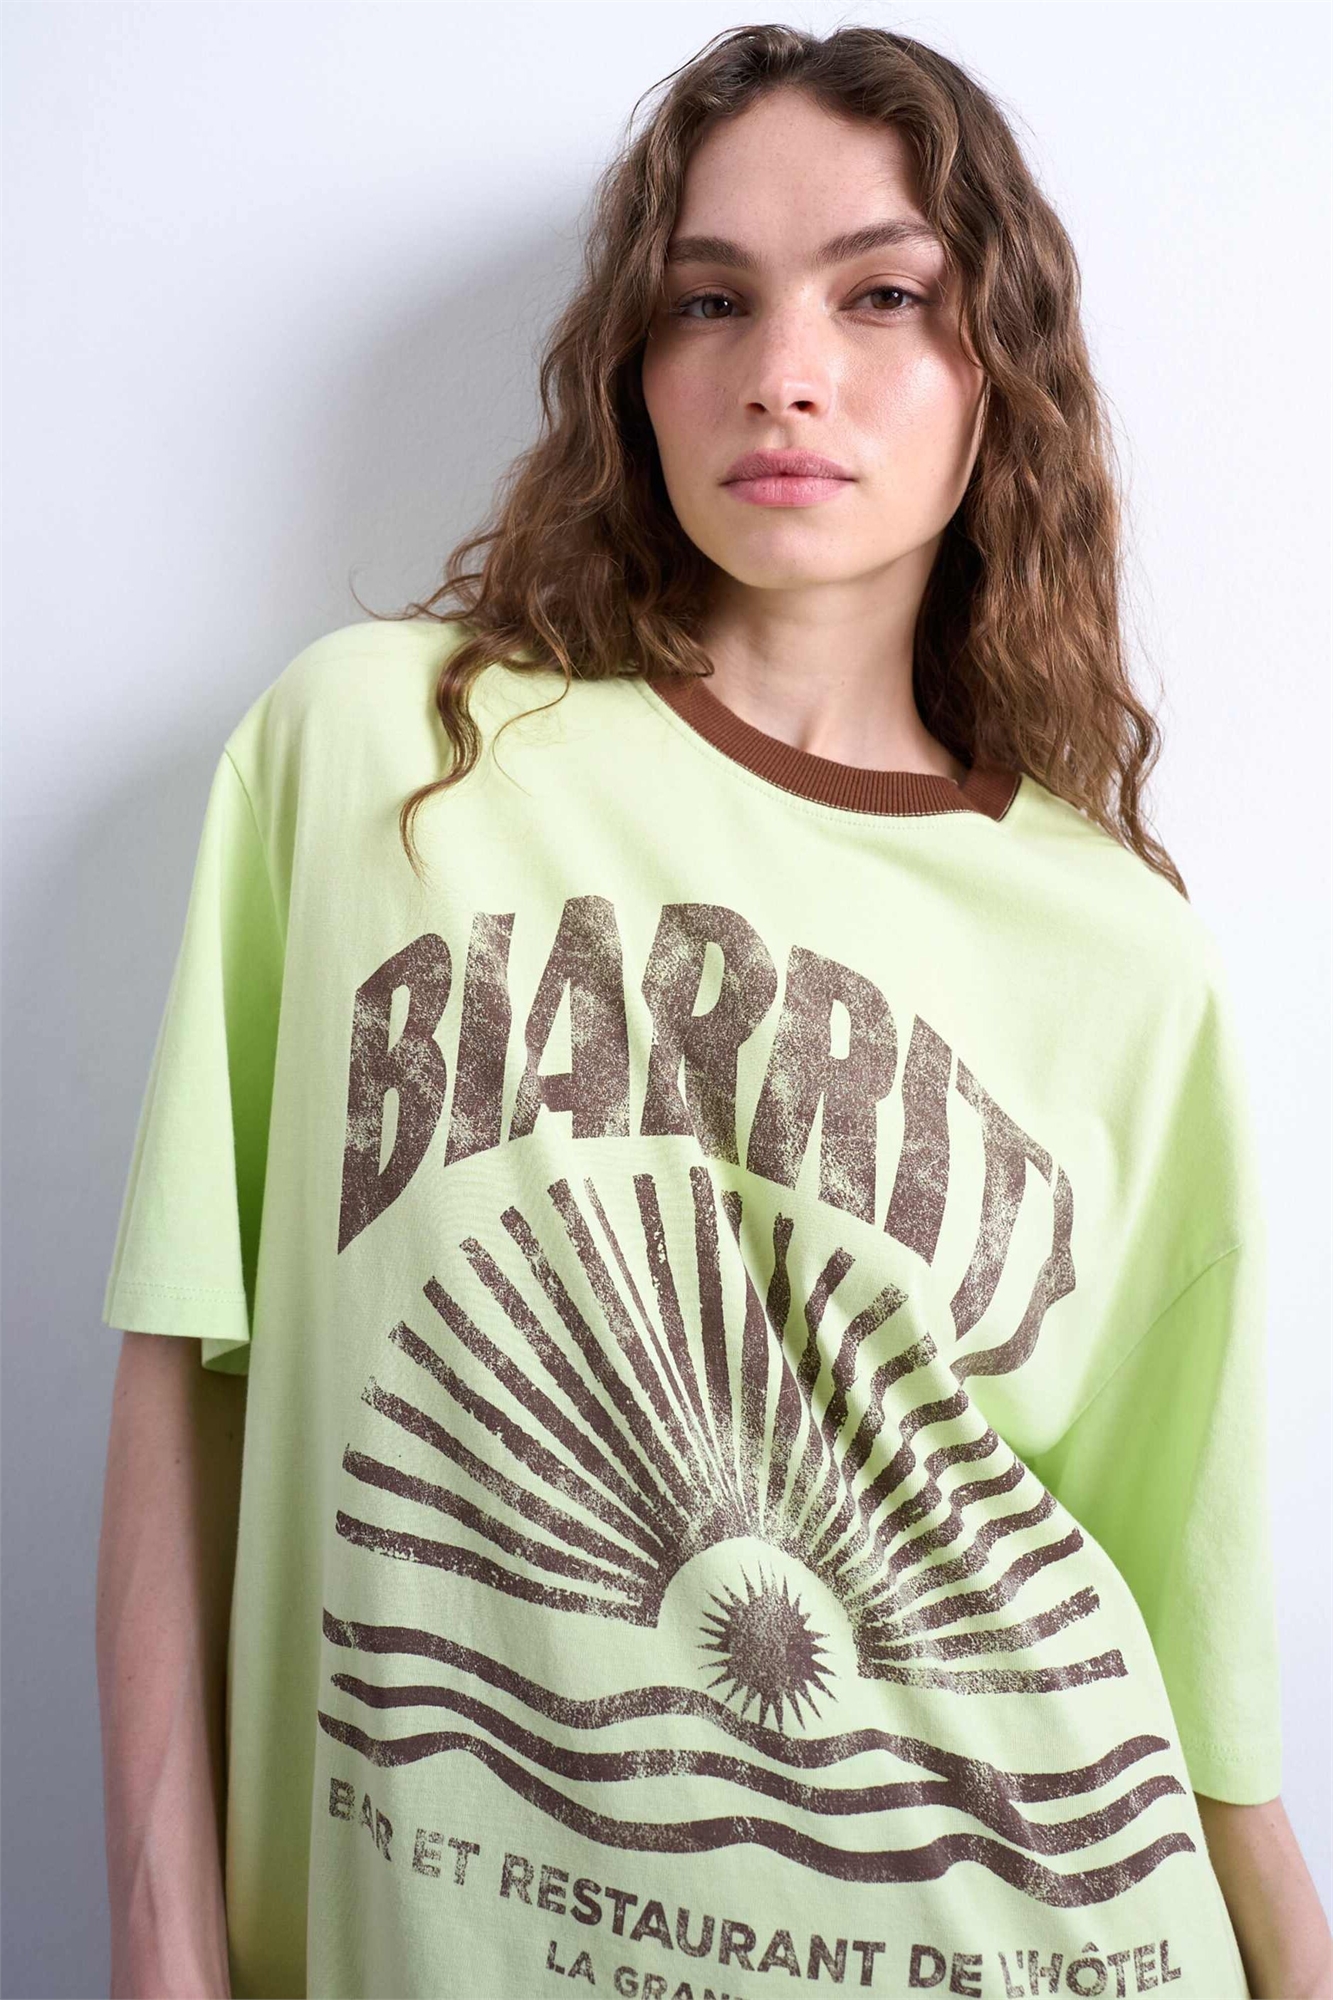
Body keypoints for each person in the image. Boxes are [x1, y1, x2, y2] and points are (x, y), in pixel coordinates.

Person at [95, 22, 1331, 2000]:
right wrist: (160, 1937)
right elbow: (193, 1365)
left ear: (997, 373)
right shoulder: (382, 759)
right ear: (634, 366)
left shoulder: (1117, 945)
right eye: (710, 298)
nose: (784, 370)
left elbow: (1193, 1651)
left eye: (882, 296)